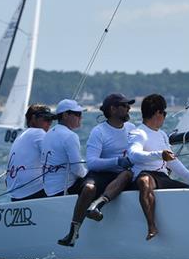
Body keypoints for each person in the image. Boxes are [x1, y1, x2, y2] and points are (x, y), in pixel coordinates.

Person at [56, 93, 136, 247]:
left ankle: (96, 206)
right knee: (88, 188)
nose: (129, 109)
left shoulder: (132, 128)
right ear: (113, 109)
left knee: (127, 174)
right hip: (102, 174)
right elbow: (92, 163)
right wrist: (117, 161)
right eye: (125, 106)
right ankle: (73, 232)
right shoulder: (99, 131)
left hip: (122, 175)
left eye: (129, 106)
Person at [128, 94, 189, 240]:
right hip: (145, 174)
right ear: (158, 113)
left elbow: (172, 161)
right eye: (164, 113)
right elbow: (133, 155)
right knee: (144, 181)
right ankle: (151, 226)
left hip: (161, 176)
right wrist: (159, 154)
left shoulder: (162, 134)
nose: (165, 116)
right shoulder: (139, 133)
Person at [42, 99, 88, 244]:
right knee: (96, 181)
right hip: (64, 190)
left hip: (49, 190)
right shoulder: (70, 136)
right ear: (66, 115)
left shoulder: (49, 133)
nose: (81, 117)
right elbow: (78, 169)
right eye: (78, 114)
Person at [5, 104, 53, 201]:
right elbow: (55, 158)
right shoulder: (39, 133)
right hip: (33, 194)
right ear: (33, 118)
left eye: (51, 120)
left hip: (14, 197)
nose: (49, 123)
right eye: (46, 119)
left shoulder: (20, 136)